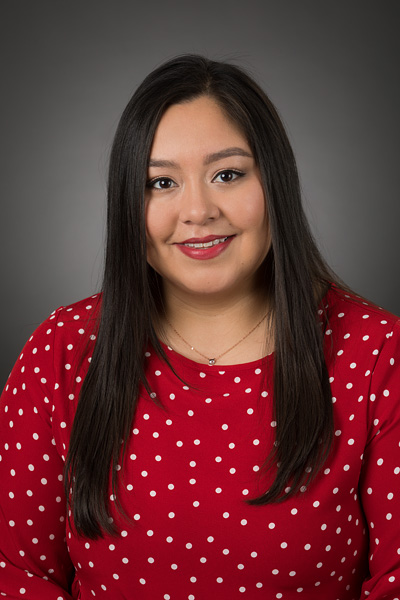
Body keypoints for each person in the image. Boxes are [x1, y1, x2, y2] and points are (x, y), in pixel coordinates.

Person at [0, 54, 399, 600]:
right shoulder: (63, 350)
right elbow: (16, 573)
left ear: (274, 182)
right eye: (161, 182)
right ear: (128, 204)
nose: (197, 210)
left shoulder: (378, 354)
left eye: (227, 174)